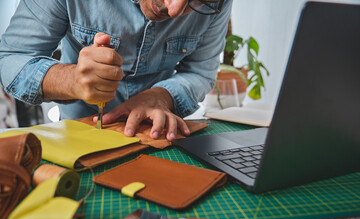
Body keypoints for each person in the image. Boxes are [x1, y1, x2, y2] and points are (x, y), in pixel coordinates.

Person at [0, 0, 232, 141]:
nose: (173, 10)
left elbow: (201, 72)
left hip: (156, 138)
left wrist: (161, 96)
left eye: (199, 0)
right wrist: (72, 81)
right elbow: (12, 58)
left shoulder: (217, 3)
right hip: (80, 138)